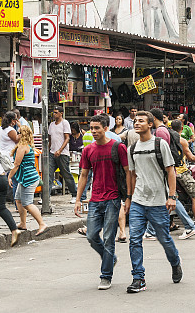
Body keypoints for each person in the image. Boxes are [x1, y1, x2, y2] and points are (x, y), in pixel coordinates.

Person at [125, 110, 182, 293]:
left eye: (141, 121)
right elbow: (132, 175)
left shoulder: (160, 144)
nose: (137, 123)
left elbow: (170, 171)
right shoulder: (131, 149)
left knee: (164, 238)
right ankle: (138, 278)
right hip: (138, 201)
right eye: (135, 121)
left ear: (150, 124)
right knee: (134, 239)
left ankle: (175, 262)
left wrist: (172, 196)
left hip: (158, 201)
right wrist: (129, 197)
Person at [74, 115, 128, 290]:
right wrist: (78, 200)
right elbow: (83, 175)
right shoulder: (88, 150)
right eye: (91, 128)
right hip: (95, 199)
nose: (94, 131)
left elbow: (128, 172)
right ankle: (110, 259)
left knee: (108, 238)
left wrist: (128, 197)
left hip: (113, 198)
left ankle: (106, 275)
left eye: (97, 128)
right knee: (91, 236)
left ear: (106, 129)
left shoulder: (118, 147)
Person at [8, 125, 47, 235]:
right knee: (18, 199)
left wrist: (9, 176)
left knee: (27, 203)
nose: (17, 134)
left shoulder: (23, 146)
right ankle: (23, 223)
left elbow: (16, 164)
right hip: (25, 178)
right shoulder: (26, 145)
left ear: (23, 134)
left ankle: (42, 223)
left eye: (19, 132)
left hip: (28, 178)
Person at [48, 108, 77, 202]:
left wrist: (60, 150)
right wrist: (48, 150)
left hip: (63, 153)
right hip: (52, 152)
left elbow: (67, 138)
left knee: (66, 174)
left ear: (61, 113)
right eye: (53, 113)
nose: (54, 114)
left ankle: (74, 194)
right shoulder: (51, 124)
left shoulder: (65, 123)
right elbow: (50, 138)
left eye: (56, 113)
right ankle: (46, 197)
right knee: (48, 174)